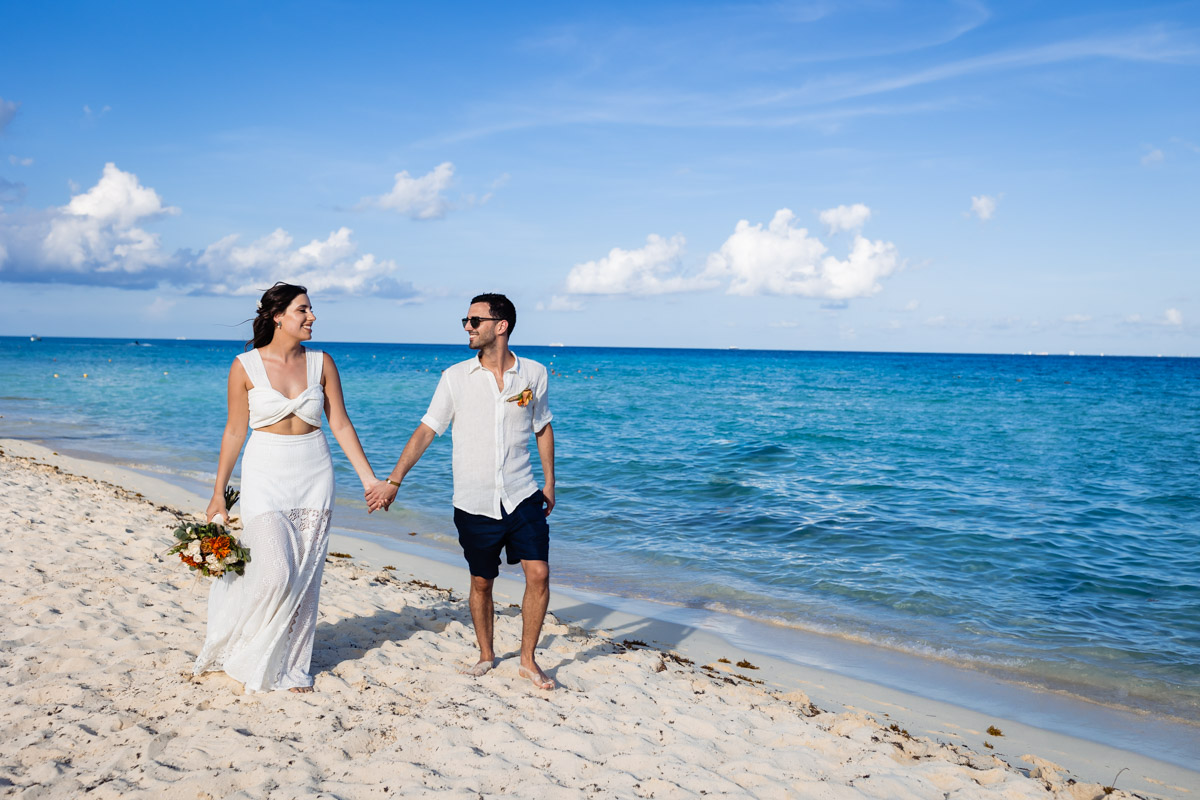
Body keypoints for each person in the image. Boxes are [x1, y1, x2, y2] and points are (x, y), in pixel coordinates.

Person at [194, 282, 382, 693]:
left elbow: (341, 425)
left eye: (311, 310)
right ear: (279, 317)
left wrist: (369, 479)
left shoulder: (322, 363)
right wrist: (217, 493)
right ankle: (245, 645)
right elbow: (233, 431)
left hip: (315, 473)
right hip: (265, 474)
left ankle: (292, 664)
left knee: (305, 575)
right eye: (303, 310)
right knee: (275, 573)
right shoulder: (244, 365)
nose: (312, 317)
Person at [365, 293, 557, 690]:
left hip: (523, 493)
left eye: (474, 321)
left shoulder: (534, 374)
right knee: (482, 582)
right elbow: (426, 430)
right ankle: (487, 655)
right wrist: (394, 481)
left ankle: (527, 660)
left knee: (538, 573)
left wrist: (550, 482)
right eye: (466, 321)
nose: (467, 327)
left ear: (500, 326)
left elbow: (542, 426)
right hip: (473, 499)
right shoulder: (455, 377)